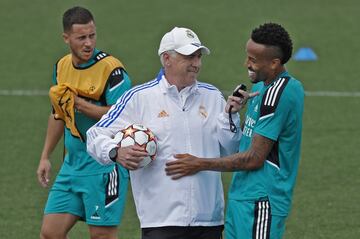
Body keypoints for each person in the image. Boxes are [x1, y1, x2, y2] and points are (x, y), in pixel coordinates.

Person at [86, 26, 241, 239]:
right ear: (167, 58)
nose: (196, 64)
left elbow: (231, 149)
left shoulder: (212, 96)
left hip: (209, 221)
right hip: (160, 222)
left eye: (198, 57)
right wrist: (115, 152)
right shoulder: (139, 98)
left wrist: (230, 117)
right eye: (189, 57)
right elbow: (95, 134)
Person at [165, 22, 304, 239]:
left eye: (253, 60)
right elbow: (244, 143)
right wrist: (232, 114)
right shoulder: (260, 88)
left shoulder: (280, 93)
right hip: (242, 197)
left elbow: (254, 158)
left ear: (274, 63)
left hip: (262, 202)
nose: (246, 64)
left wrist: (199, 163)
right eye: (247, 56)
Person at [36, 6, 132, 239]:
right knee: (50, 233)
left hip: (104, 166)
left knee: (101, 235)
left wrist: (79, 103)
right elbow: (58, 114)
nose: (88, 43)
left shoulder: (112, 70)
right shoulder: (61, 67)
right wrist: (45, 156)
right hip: (72, 165)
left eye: (92, 36)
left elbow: (122, 116)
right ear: (66, 38)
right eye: (81, 38)